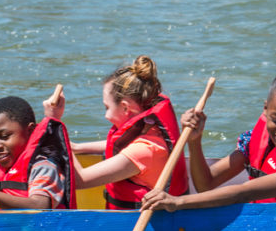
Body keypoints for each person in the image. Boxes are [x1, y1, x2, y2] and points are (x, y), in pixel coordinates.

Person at [141, 61, 276, 212]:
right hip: (264, 226)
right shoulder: (253, 141)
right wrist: (194, 141)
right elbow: (205, 185)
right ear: (265, 109)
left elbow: (241, 193)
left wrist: (177, 203)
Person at [63, 55, 188, 210]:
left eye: (106, 107)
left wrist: (55, 122)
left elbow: (79, 180)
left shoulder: (144, 151)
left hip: (135, 227)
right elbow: (127, 146)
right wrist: (78, 148)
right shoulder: (151, 130)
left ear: (125, 107)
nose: (105, 115)